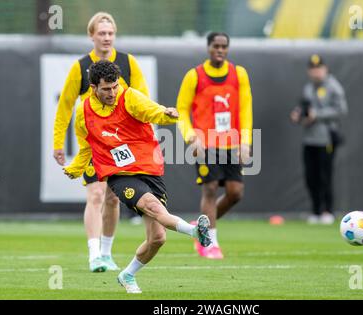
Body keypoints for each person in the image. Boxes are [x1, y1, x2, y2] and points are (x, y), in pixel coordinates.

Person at [63, 60, 212, 293]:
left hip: (149, 169)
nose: (112, 93)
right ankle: (194, 231)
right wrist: (76, 168)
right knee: (152, 205)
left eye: (114, 87)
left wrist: (167, 114)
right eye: (106, 89)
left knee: (158, 238)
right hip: (121, 175)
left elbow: (150, 110)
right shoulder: (83, 111)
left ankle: (127, 274)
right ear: (93, 88)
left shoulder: (129, 96)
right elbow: (86, 145)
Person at [53, 12, 150, 272]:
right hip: (93, 143)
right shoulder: (81, 66)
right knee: (95, 194)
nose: (106, 38)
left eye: (110, 33)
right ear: (91, 35)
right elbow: (64, 107)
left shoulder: (128, 63)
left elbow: (143, 102)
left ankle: (107, 253)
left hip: (119, 143)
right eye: (101, 33)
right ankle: (94, 254)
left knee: (112, 198)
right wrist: (58, 142)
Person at [176, 32, 253, 259]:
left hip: (231, 143)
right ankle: (210, 243)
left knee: (235, 193)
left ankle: (202, 225)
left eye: (223, 46)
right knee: (209, 189)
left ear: (227, 49)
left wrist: (246, 142)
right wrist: (191, 137)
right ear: (208, 48)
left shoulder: (239, 74)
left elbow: (246, 109)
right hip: (205, 142)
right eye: (215, 46)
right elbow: (181, 110)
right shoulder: (195, 76)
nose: (219, 50)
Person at [290, 54, 348, 225]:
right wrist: (298, 114)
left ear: (325, 69)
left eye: (319, 68)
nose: (316, 72)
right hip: (309, 139)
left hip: (326, 139)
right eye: (313, 69)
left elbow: (341, 110)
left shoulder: (333, 87)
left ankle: (327, 211)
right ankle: (315, 211)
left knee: (325, 176)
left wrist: (318, 115)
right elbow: (305, 108)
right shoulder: (308, 88)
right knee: (310, 176)